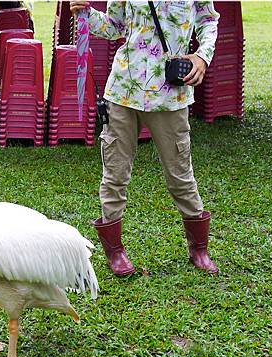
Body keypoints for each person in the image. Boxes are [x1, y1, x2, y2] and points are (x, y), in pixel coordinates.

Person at [70, 1, 220, 276]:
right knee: (115, 174)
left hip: (170, 96)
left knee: (180, 175)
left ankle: (199, 249)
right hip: (124, 92)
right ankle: (115, 253)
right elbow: (115, 26)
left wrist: (202, 56)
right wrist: (85, 13)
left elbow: (208, 20)